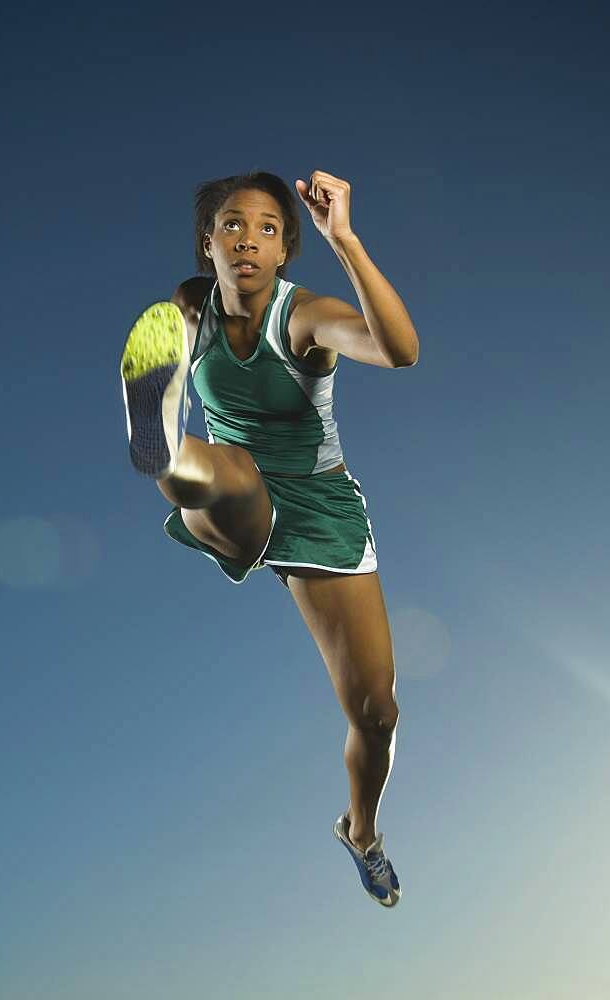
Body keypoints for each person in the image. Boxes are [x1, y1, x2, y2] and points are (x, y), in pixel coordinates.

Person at [119, 169, 419, 908]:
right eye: (229, 226)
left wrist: (343, 239)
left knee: (376, 712)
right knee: (227, 477)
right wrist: (171, 371)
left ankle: (362, 833)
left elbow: (398, 350)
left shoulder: (306, 317)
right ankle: (162, 447)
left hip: (320, 508)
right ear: (207, 244)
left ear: (285, 248)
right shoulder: (189, 305)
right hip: (236, 486)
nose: (245, 239)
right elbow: (185, 327)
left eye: (263, 228)